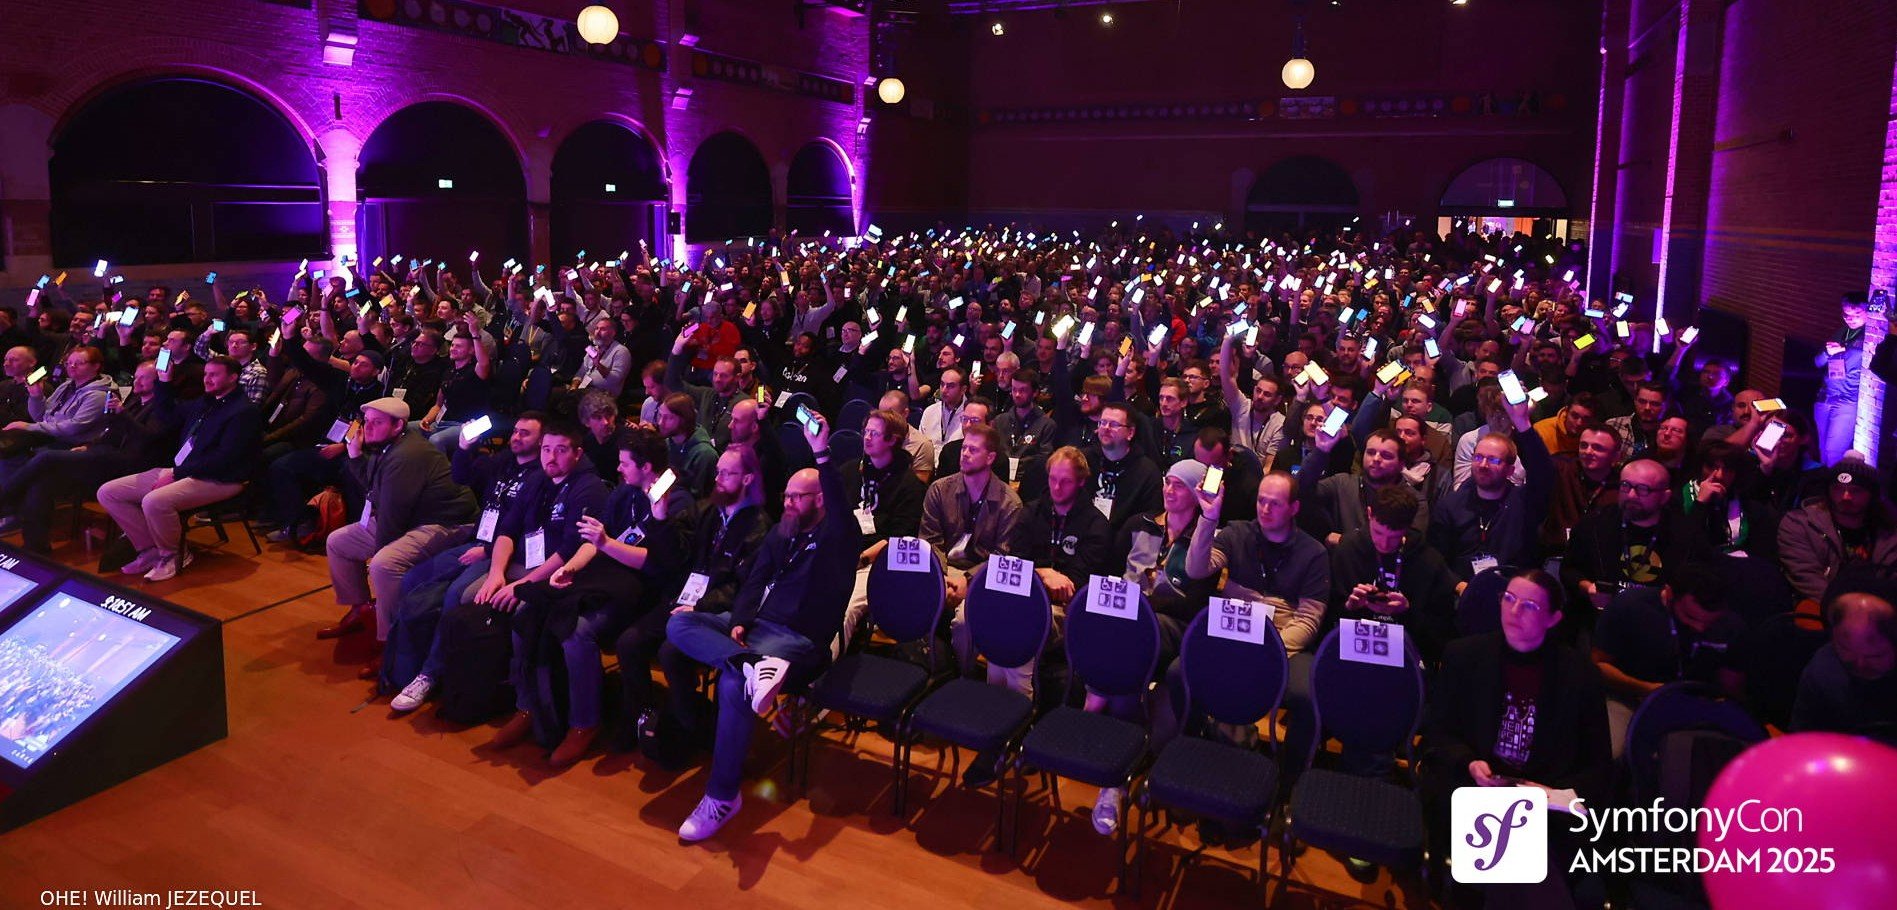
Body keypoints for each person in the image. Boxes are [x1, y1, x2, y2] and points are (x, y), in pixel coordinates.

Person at [665, 414, 855, 842]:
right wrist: (739, 622)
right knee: (680, 626)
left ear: (820, 500)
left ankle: (721, 797)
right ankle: (751, 665)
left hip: (797, 641)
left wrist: (821, 451)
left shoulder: (837, 541)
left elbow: (842, 511)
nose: (787, 504)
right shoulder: (782, 532)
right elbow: (753, 582)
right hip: (755, 636)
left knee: (732, 685)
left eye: (797, 498)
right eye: (785, 496)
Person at [1422, 568, 1612, 909]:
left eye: (1528, 606)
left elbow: (1597, 765)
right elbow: (1438, 732)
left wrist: (1548, 794)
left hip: (1543, 798)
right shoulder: (1463, 656)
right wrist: (1470, 762)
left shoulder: (1580, 676)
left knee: (1519, 858)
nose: (1512, 612)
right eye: (1508, 599)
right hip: (1475, 787)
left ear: (1553, 618)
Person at [384, 414, 548, 712]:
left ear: (541, 440)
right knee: (412, 580)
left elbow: (526, 527)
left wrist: (487, 551)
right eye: (515, 431)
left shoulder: (542, 476)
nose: (516, 437)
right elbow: (461, 477)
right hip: (476, 542)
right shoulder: (504, 462)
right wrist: (463, 448)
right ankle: (401, 662)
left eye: (525, 433)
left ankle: (429, 674)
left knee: (455, 595)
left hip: (501, 553)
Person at [475, 422, 613, 761]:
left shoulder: (589, 489)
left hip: (568, 576)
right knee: (467, 598)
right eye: (546, 449)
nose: (551, 457)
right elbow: (507, 528)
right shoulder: (538, 479)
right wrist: (496, 573)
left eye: (561, 449)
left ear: (578, 454)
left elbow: (571, 550)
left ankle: (566, 718)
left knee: (527, 615)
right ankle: (521, 704)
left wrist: (523, 585)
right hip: (524, 565)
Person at [633, 445, 772, 763]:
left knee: (671, 652)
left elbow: (741, 587)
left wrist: (699, 607)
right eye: (718, 471)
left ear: (747, 478)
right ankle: (648, 720)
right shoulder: (711, 509)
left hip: (721, 610)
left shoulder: (758, 526)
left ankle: (690, 726)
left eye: (727, 473)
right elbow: (679, 554)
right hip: (686, 598)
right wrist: (660, 518)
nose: (719, 478)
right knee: (631, 642)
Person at [319, 397, 480, 656]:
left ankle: (391, 642)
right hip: (412, 518)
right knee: (338, 542)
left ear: (398, 426)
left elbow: (394, 514)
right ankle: (361, 611)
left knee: (384, 564)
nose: (368, 428)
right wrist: (355, 455)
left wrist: (379, 555)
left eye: (377, 422)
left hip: (446, 522)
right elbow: (374, 491)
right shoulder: (384, 447)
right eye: (367, 421)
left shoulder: (407, 455)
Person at [97, 355, 262, 582]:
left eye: (214, 375)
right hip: (185, 470)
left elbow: (225, 458)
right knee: (109, 492)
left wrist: (176, 473)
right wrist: (163, 382)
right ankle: (149, 549)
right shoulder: (206, 401)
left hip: (222, 478)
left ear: (233, 378)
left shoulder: (244, 411)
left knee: (154, 501)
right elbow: (168, 416)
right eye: (206, 374)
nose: (207, 379)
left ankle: (173, 555)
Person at [1592, 562, 1748, 755]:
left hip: (1698, 704)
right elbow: (1599, 666)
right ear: (1669, 594)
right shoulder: (1630, 606)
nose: (1700, 628)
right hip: (1630, 696)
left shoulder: (1731, 624)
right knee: (1613, 751)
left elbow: (1730, 687)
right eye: (1690, 617)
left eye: (1709, 622)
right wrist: (1646, 688)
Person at [1186, 470, 1330, 655]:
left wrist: (1269, 651)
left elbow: (1307, 620)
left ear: (1294, 508)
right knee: (1177, 672)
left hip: (1279, 641)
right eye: (1261, 500)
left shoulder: (1314, 553)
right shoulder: (1235, 534)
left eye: (1275, 504)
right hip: (1230, 631)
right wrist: (1209, 517)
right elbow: (1195, 570)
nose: (1265, 509)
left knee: (1299, 682)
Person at [1562, 458, 1715, 626]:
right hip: (1602, 620)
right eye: (1625, 486)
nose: (1631, 495)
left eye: (1643, 489)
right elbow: (1569, 569)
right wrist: (1588, 588)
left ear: (1665, 497)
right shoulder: (1594, 524)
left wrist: (1675, 595)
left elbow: (1700, 582)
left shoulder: (1685, 534)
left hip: (1660, 623)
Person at [1429, 394, 1552, 578]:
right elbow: (1438, 560)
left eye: (1493, 460)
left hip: (1513, 590)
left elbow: (1543, 472)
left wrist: (1522, 423)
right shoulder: (1451, 506)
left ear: (1510, 470)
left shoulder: (1524, 503)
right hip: (1465, 592)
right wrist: (1458, 586)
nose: (1483, 465)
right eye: (1478, 457)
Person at [837, 410, 925, 650]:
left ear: (892, 440)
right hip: (841, 552)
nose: (866, 438)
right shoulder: (850, 471)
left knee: (842, 610)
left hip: (873, 561)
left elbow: (899, 539)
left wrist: (861, 557)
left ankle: (821, 674)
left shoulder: (909, 486)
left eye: (874, 434)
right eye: (866, 432)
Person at [1791, 569, 1897, 733]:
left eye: (1876, 655)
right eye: (1845, 648)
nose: (1860, 664)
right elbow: (1803, 738)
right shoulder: (1823, 670)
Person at [1778, 461, 1897, 604]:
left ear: (1872, 495)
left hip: (1878, 610)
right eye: (1838, 489)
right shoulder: (1800, 524)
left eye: (1856, 490)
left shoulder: (1888, 529)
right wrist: (1849, 608)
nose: (1845, 496)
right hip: (1821, 608)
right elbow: (1805, 576)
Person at [1015, 446, 1112, 607]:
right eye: (1052, 479)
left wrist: (1033, 576)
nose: (1057, 487)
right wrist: (1043, 573)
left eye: (1066, 481)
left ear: (1081, 481)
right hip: (1025, 595)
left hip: (1069, 606)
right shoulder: (1031, 513)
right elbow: (1016, 563)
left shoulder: (1096, 525)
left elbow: (1080, 582)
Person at [1813, 294, 1869, 466]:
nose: (1849, 319)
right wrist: (1827, 353)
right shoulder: (1841, 332)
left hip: (1847, 400)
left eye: (1856, 314)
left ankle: (1834, 487)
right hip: (1825, 396)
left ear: (1867, 312)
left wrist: (1843, 349)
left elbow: (1862, 355)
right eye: (1846, 314)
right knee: (1822, 449)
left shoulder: (1871, 334)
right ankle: (1824, 486)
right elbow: (1817, 362)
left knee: (1834, 451)